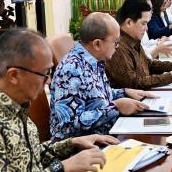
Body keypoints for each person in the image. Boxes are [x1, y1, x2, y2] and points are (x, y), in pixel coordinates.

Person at [0, 28, 120, 172]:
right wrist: (63, 167)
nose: (49, 81)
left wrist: (72, 143)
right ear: (13, 75)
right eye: (44, 73)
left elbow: (30, 155)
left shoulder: (17, 105)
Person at [50, 12, 154, 141]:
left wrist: (125, 92)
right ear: (97, 44)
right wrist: (115, 107)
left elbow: (96, 96)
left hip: (108, 133)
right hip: (85, 148)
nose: (117, 47)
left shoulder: (94, 60)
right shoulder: (71, 70)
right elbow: (68, 125)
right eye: (116, 42)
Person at [105, 0, 172, 90]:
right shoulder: (117, 45)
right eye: (143, 23)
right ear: (128, 23)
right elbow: (134, 82)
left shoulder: (133, 39)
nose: (146, 28)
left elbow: (148, 64)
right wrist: (170, 77)